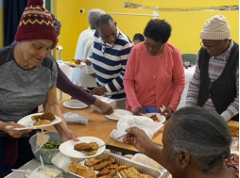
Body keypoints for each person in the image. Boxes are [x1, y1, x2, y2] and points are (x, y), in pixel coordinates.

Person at [0, 0, 78, 176]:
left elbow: (51, 105)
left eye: (49, 48)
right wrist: (4, 126)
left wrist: (64, 131)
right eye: (37, 46)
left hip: (29, 136)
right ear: (21, 39)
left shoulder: (48, 65)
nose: (43, 54)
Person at [11, 13, 114, 115]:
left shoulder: (47, 61)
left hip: (28, 122)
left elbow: (65, 89)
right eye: (55, 36)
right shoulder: (6, 60)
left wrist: (98, 103)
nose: (56, 40)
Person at [124, 107, 236, 178]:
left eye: (164, 146)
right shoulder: (230, 161)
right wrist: (150, 149)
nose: (162, 150)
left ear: (183, 158)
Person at [124, 19, 185, 119]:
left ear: (164, 43)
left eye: (156, 46)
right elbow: (128, 80)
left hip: (163, 110)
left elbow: (179, 82)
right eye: (147, 44)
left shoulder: (173, 53)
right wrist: (134, 103)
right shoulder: (136, 51)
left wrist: (172, 106)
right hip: (138, 108)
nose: (150, 48)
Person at [186, 14, 239, 122]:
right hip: (204, 118)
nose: (208, 50)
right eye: (204, 45)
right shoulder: (203, 53)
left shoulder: (237, 57)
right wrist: (189, 109)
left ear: (225, 40)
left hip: (229, 120)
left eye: (211, 46)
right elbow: (195, 84)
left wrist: (223, 117)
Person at [84, 14, 133, 108]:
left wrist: (105, 89)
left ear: (115, 24)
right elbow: (98, 54)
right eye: (106, 37)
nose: (111, 39)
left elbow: (127, 74)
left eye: (113, 33)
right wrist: (88, 60)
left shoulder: (125, 44)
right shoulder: (96, 36)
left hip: (118, 98)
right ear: (98, 32)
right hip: (102, 93)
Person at [71, 9, 105, 90]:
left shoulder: (83, 33)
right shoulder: (96, 38)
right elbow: (90, 67)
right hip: (89, 83)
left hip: (77, 78)